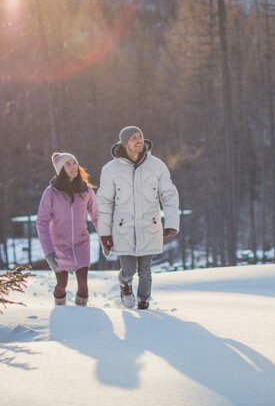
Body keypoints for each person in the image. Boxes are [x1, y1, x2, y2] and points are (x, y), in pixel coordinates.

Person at [97, 126, 180, 309]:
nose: (139, 139)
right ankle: (125, 284)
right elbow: (104, 202)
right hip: (122, 227)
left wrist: (172, 222)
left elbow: (169, 194)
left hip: (149, 225)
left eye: (140, 136)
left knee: (145, 271)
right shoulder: (110, 169)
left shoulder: (157, 165)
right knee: (129, 270)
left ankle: (144, 302)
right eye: (133, 137)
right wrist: (104, 233)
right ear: (125, 143)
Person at [37, 152, 98, 306]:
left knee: (83, 287)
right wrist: (49, 253)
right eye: (68, 164)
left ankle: (82, 315)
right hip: (59, 247)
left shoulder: (86, 191)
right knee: (61, 286)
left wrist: (105, 239)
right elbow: (42, 223)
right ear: (60, 169)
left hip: (81, 243)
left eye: (74, 163)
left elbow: (97, 216)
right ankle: (60, 309)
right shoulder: (50, 193)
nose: (73, 167)